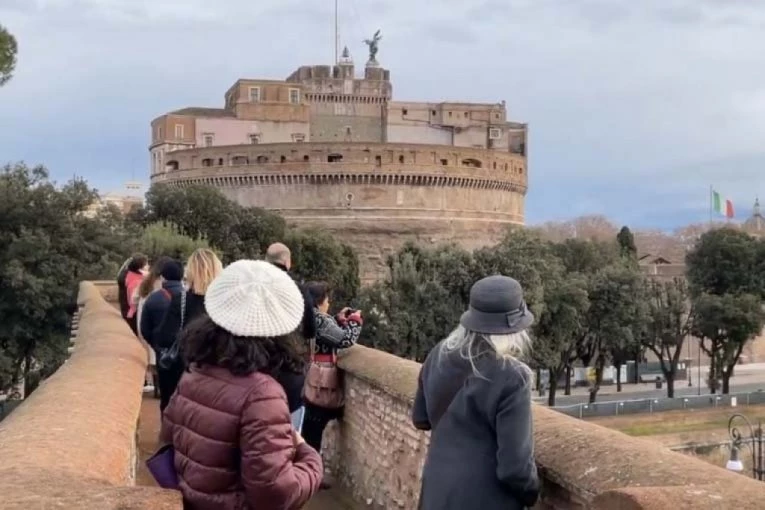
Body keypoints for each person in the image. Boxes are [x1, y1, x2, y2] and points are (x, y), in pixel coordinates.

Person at [160, 260, 323, 510]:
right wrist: (311, 460)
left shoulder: (195, 372)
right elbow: (275, 494)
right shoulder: (262, 395)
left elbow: (168, 440)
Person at [411, 275, 539, 510]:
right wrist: (532, 496)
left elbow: (420, 419)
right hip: (486, 500)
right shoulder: (513, 376)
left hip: (436, 493)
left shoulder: (438, 353)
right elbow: (515, 468)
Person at [302, 281, 362, 488]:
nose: (329, 303)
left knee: (308, 429)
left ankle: (307, 475)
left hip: (304, 378)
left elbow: (328, 333)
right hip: (319, 381)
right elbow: (344, 340)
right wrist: (354, 321)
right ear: (320, 302)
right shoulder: (319, 319)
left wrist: (337, 319)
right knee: (313, 430)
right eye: (327, 300)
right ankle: (310, 477)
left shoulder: (306, 316)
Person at [154, 249, 222, 408]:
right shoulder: (223, 302)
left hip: (183, 371)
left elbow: (164, 337)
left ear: (190, 271)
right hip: (216, 374)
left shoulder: (181, 300)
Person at [140, 259, 184, 412]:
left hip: (164, 354)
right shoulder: (189, 297)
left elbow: (144, 329)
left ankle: (166, 430)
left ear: (163, 277)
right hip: (186, 355)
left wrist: (157, 346)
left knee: (167, 397)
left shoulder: (153, 299)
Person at [135, 256, 174, 396]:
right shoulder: (163, 286)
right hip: (161, 327)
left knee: (153, 360)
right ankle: (160, 389)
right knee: (162, 361)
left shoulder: (146, 283)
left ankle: (157, 388)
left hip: (148, 326)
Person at [265, 242, 316, 342]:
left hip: (252, 346)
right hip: (285, 347)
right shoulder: (298, 288)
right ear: (287, 262)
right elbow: (310, 325)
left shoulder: (250, 282)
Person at [124, 254, 149, 335]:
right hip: (136, 313)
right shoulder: (136, 282)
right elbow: (133, 300)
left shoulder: (132, 277)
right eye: (146, 264)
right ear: (140, 267)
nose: (148, 266)